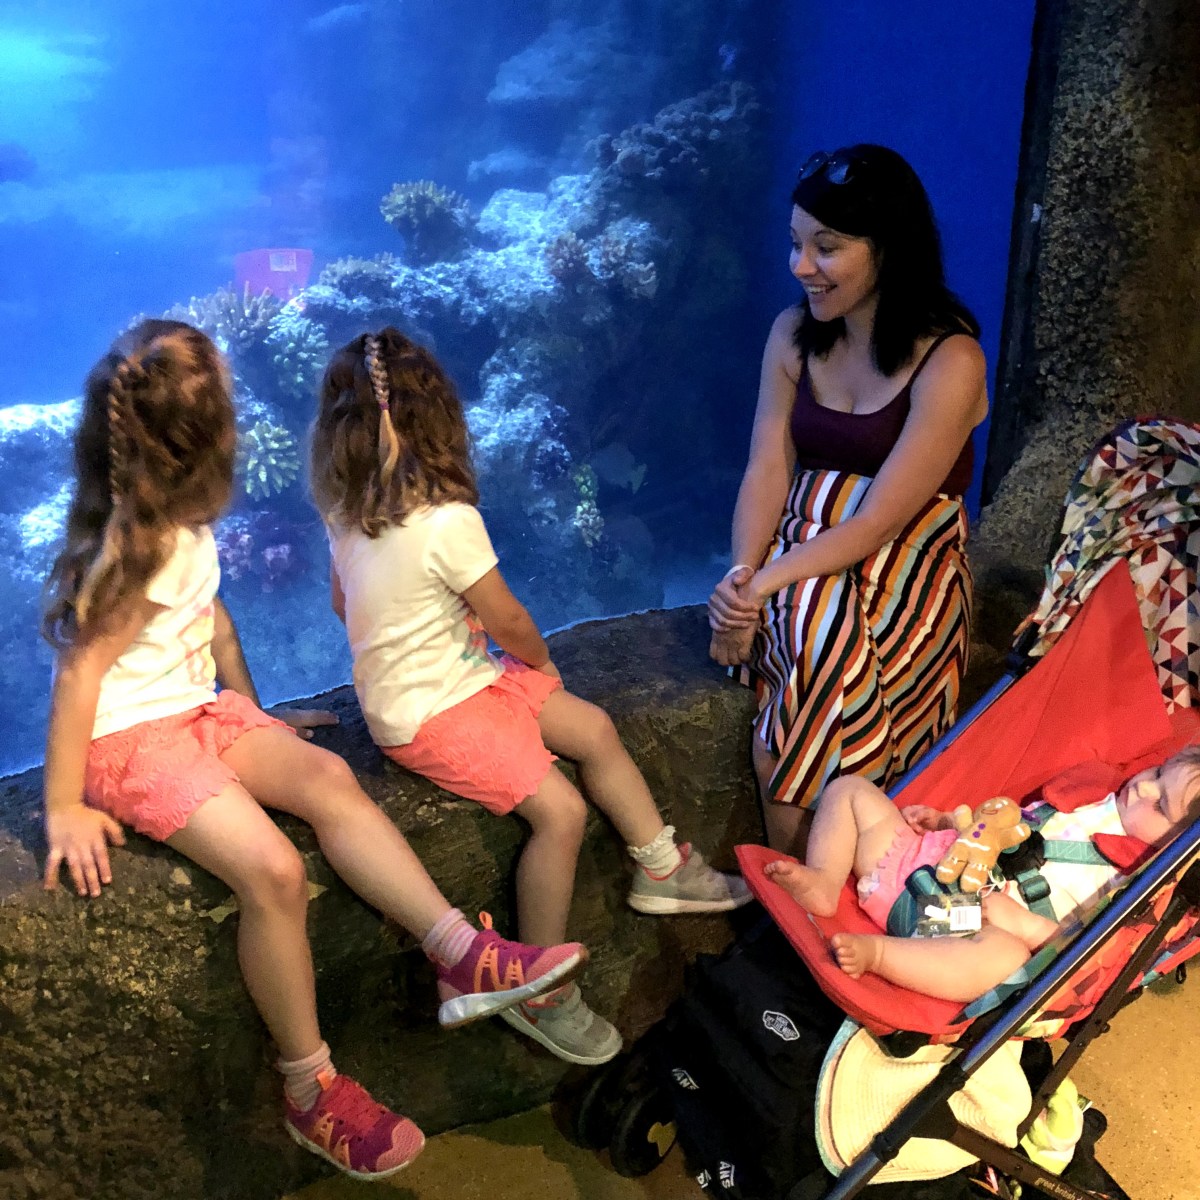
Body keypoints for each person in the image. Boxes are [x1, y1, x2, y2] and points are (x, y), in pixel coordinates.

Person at [40, 319, 588, 1181]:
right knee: (275, 873)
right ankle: (311, 1089)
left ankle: (458, 954)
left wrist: (252, 716)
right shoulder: (133, 548)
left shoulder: (181, 525)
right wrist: (63, 804)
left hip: (197, 713)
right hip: (127, 742)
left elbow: (212, 623)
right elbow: (80, 674)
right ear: (204, 442)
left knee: (330, 777)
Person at [309, 328, 752, 1068]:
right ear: (441, 419)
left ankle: (661, 867)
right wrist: (541, 664)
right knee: (561, 811)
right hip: (431, 712)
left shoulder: (346, 514)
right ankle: (538, 990)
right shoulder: (448, 521)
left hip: (452, 682)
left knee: (594, 728)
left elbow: (340, 605)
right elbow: (510, 620)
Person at [707, 144, 989, 854]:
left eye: (826, 248)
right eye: (795, 243)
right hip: (801, 546)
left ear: (888, 248)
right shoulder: (790, 336)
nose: (800, 266)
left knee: (814, 632)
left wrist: (764, 586)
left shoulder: (951, 360)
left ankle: (799, 874)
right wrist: (741, 576)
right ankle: (811, 883)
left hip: (905, 565)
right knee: (812, 623)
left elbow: (881, 520)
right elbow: (767, 467)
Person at [762, 746, 1200, 1002]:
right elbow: (1002, 830)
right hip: (915, 870)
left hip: (956, 925)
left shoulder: (1132, 881)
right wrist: (946, 823)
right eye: (1159, 772)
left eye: (1161, 804)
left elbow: (1080, 954)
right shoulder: (1090, 797)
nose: (1143, 786)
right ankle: (824, 880)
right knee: (851, 789)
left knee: (1006, 958)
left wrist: (1025, 925)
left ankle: (879, 954)